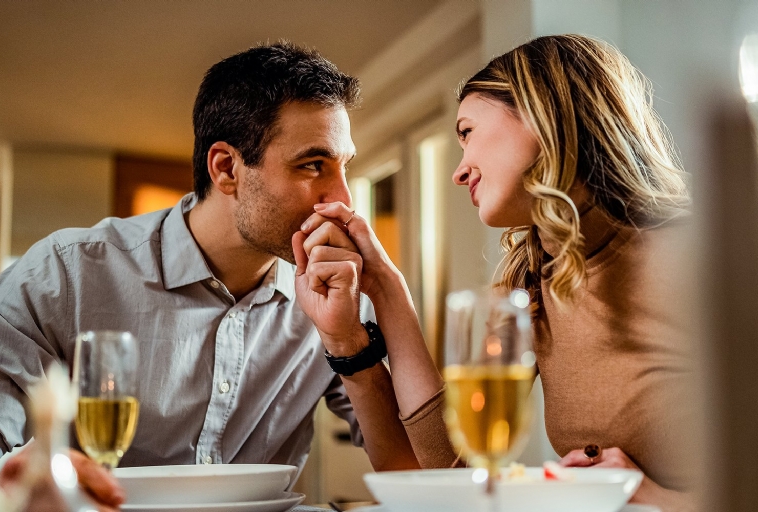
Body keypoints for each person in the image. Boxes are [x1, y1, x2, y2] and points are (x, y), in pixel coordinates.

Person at [0, 42, 418, 511]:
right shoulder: (64, 275)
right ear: (226, 167)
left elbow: (413, 475)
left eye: (343, 167)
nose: (342, 199)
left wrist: (349, 342)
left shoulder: (335, 295)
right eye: (313, 165)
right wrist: (11, 478)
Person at [293, 34, 699, 511]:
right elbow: (449, 475)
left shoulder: (698, 256)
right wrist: (384, 286)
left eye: (467, 132)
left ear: (540, 112)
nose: (459, 171)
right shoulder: (529, 282)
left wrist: (657, 499)